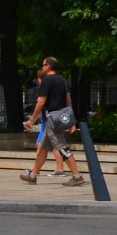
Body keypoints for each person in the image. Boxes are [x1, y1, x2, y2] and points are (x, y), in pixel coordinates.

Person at [21, 56, 86, 186]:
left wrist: (32, 120)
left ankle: (77, 175)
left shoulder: (47, 80)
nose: (42, 67)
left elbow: (41, 101)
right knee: (43, 149)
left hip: (52, 120)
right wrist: (71, 119)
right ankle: (33, 176)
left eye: (43, 65)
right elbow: (68, 99)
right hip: (60, 118)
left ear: (48, 66)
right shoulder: (62, 79)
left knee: (62, 148)